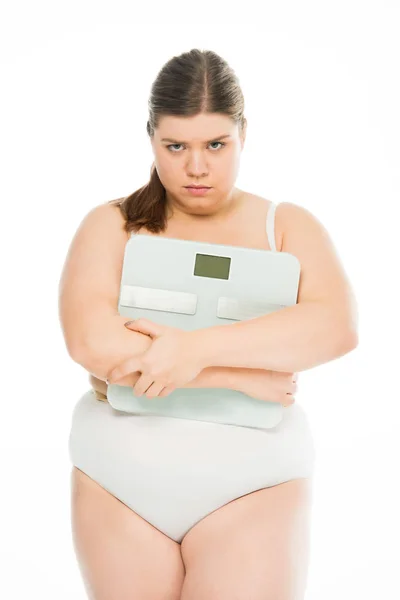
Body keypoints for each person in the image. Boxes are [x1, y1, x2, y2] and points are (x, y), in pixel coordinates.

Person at [60, 48, 358, 600]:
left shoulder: (287, 226)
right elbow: (92, 343)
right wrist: (238, 375)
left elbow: (335, 327)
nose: (196, 168)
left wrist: (195, 350)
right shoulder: (112, 224)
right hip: (120, 487)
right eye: (176, 146)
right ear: (151, 137)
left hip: (252, 489)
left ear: (244, 133)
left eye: (215, 145)